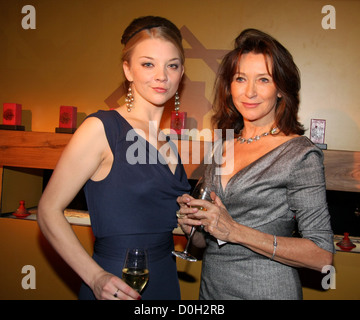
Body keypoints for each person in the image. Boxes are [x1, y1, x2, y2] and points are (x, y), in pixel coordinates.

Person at [37, 16, 190, 300]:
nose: (162, 76)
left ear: (181, 73)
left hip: (166, 281)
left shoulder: (168, 144)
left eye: (172, 65)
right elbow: (48, 210)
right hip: (115, 284)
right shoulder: (102, 128)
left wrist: (196, 225)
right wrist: (95, 277)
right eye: (148, 64)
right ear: (127, 70)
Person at [176, 28, 335, 300]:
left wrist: (235, 231)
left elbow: (321, 256)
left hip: (267, 290)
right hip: (213, 290)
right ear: (229, 86)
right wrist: (193, 227)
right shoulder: (222, 145)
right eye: (240, 78)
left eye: (263, 79)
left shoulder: (299, 154)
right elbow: (206, 243)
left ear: (281, 90)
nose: (249, 92)